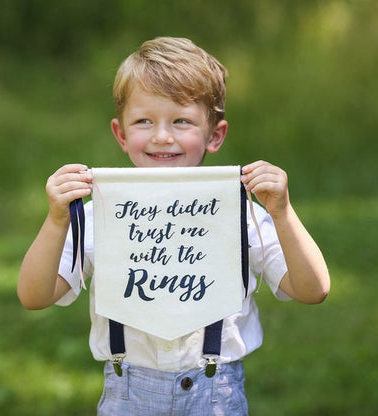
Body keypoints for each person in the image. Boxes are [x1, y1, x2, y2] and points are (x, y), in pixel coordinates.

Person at [18, 37, 330, 415]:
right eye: (144, 121)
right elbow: (35, 296)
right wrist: (56, 221)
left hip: (216, 395)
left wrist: (282, 213)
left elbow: (312, 290)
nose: (161, 135)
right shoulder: (100, 214)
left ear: (215, 135)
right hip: (127, 394)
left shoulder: (241, 212)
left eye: (181, 121)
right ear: (121, 134)